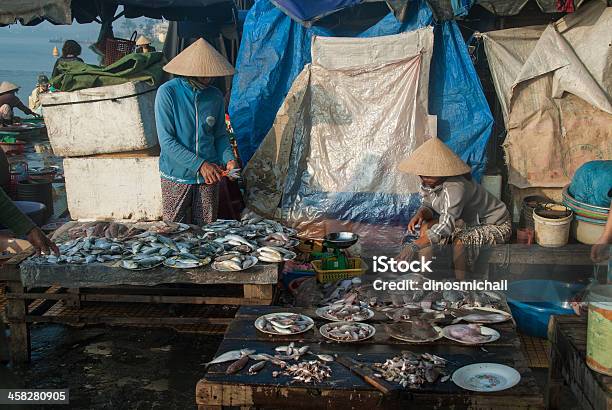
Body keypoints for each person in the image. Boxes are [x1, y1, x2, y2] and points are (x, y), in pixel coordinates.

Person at [397, 137, 512, 279]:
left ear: (443, 171)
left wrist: (413, 246)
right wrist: (420, 213)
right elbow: (429, 205)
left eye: (430, 174)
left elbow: (446, 226)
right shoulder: (428, 183)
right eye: (423, 174)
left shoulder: (456, 186)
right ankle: (422, 277)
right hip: (465, 222)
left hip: (495, 224)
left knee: (459, 241)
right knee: (426, 227)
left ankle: (460, 286)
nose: (424, 178)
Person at [155, 38, 238, 225]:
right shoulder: (167, 93)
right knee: (174, 229)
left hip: (209, 177)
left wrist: (229, 159)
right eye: (203, 75)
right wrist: (201, 165)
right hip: (175, 175)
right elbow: (167, 142)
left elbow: (219, 135)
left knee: (207, 229)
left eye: (210, 75)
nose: (207, 79)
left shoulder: (215, 96)